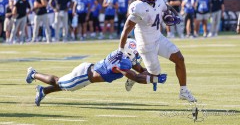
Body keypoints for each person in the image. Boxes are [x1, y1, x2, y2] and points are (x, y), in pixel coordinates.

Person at [116, 0, 196, 102]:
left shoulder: (159, 0)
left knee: (179, 58)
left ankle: (183, 91)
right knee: (154, 76)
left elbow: (164, 8)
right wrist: (120, 51)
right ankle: (134, 77)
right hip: (146, 44)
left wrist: (170, 15)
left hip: (158, 37)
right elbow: (126, 30)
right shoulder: (138, 7)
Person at [25, 39, 167, 106]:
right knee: (59, 82)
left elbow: (140, 70)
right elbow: (135, 77)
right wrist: (154, 80)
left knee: (63, 85)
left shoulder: (123, 55)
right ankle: (33, 73)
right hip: (83, 76)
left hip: (87, 72)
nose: (137, 58)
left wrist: (153, 73)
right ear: (129, 53)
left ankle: (43, 91)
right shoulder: (122, 62)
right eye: (135, 54)